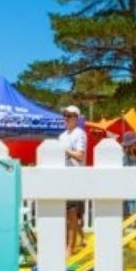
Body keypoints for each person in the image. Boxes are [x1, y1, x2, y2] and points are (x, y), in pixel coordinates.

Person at [59, 106, 88, 254]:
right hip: (63, 178)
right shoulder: (62, 136)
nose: (65, 118)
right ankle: (72, 244)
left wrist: (66, 152)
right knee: (64, 214)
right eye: (64, 115)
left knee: (72, 214)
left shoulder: (80, 134)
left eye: (69, 115)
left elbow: (80, 156)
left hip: (75, 178)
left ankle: (69, 248)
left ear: (76, 118)